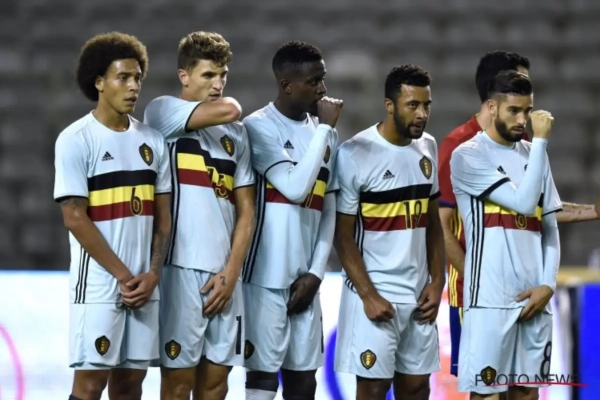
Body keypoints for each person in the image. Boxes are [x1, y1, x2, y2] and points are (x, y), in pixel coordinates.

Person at [437, 50, 598, 385]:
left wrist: (592, 212)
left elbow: (542, 213)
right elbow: (442, 227)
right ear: (495, 95)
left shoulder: (527, 147)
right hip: (476, 294)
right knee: (487, 388)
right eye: (519, 82)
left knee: (525, 389)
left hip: (529, 293)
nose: (526, 113)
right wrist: (478, 281)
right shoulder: (460, 146)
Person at [54, 32, 172, 400]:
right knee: (90, 386)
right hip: (100, 287)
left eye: (138, 77)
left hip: (144, 286)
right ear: (99, 82)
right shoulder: (76, 139)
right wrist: (124, 275)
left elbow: (163, 220)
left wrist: (153, 274)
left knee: (129, 386)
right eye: (123, 77)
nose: (134, 86)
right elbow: (74, 218)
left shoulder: (153, 142)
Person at [143, 31, 256, 400]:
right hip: (179, 270)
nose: (218, 84)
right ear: (184, 76)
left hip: (225, 275)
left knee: (216, 385)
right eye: (208, 75)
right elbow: (231, 108)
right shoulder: (163, 112)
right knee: (178, 386)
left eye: (223, 75)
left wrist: (232, 272)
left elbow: (246, 209)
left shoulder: (237, 136)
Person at [334, 64, 445, 400]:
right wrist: (368, 295)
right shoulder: (355, 153)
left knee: (417, 388)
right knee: (373, 389)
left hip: (418, 297)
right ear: (389, 105)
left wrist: (437, 281)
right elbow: (342, 235)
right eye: (413, 105)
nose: (422, 114)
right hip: (376, 293)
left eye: (426, 105)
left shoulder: (428, 147)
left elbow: (432, 223)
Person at [241, 40, 342, 400]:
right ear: (286, 85)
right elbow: (295, 188)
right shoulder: (258, 127)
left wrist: (316, 273)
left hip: (306, 280)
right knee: (263, 382)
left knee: (303, 383)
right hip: (264, 280)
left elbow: (328, 209)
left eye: (323, 79)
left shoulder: (326, 134)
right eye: (313, 81)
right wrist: (325, 131)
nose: (323, 89)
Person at [451, 70, 560, 399]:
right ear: (492, 107)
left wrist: (548, 285)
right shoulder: (468, 155)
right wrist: (540, 141)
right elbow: (523, 203)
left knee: (527, 394)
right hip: (489, 301)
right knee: (486, 394)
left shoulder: (535, 155)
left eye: (528, 111)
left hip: (535, 299)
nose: (523, 120)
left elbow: (549, 227)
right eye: (514, 110)